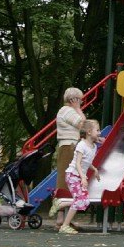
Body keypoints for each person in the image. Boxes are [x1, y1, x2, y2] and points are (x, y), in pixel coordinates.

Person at [52, 87, 87, 227]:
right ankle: (61, 216)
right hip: (69, 147)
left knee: (70, 180)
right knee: (67, 180)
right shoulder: (67, 111)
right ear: (74, 100)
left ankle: (64, 216)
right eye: (80, 100)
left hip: (70, 146)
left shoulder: (66, 111)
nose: (82, 103)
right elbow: (83, 125)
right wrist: (78, 109)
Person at [59, 119, 101, 235]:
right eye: (97, 130)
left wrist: (95, 169)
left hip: (78, 176)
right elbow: (78, 163)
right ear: (88, 132)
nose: (99, 132)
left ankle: (60, 204)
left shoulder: (93, 147)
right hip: (72, 175)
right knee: (80, 200)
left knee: (84, 201)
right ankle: (65, 226)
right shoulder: (82, 145)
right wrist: (83, 177)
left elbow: (87, 162)